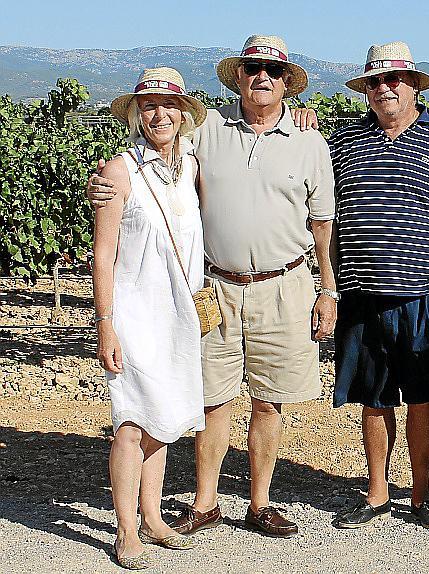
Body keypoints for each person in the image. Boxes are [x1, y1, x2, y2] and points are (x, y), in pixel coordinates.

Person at [88, 35, 337, 538]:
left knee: (270, 401)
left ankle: (259, 502)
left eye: (272, 71)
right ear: (239, 78)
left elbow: (323, 223)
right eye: (252, 70)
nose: (261, 77)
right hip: (215, 286)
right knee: (212, 398)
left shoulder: (310, 141)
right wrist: (103, 181)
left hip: (285, 284)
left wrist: (328, 289)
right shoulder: (210, 129)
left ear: (286, 82)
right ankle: (205, 502)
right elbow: (150, 159)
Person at [328, 41, 429, 530]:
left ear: (414, 85)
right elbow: (322, 214)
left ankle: (419, 494)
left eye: (393, 79)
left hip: (423, 294)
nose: (384, 88)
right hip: (361, 293)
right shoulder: (341, 141)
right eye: (374, 81)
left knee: (421, 396)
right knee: (373, 398)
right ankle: (376, 493)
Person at [94, 67, 207, 569]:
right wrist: (104, 322)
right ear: (138, 114)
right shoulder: (119, 170)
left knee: (163, 420)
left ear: (183, 114)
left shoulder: (192, 167)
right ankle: (125, 530)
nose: (158, 113)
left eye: (167, 104)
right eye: (148, 105)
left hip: (178, 314)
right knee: (132, 421)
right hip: (135, 312)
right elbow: (103, 253)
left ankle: (153, 516)